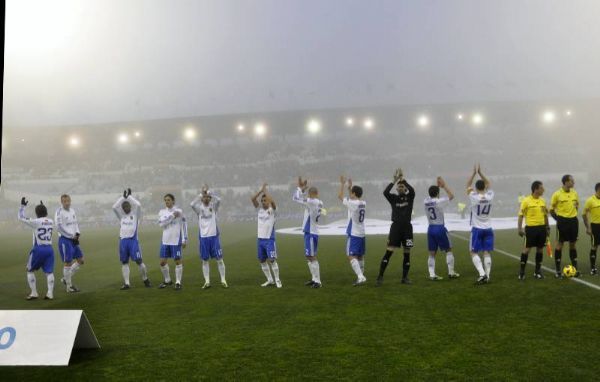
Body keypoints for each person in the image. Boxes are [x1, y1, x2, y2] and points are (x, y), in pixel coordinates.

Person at [377, 168, 415, 285]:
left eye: (402, 187)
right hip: (396, 228)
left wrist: (403, 179)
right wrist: (394, 180)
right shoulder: (393, 198)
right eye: (399, 187)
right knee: (389, 251)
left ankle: (404, 278)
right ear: (397, 189)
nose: (400, 188)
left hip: (407, 228)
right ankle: (380, 277)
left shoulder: (410, 197)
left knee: (407, 252)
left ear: (405, 188)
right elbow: (385, 192)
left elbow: (412, 190)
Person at [111, 188, 151, 289]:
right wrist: (122, 198)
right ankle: (127, 283)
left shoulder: (135, 215)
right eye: (123, 206)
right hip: (123, 242)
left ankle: (145, 279)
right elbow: (114, 207)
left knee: (139, 261)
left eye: (127, 205)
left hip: (133, 241)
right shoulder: (121, 217)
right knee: (124, 262)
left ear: (130, 206)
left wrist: (129, 197)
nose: (125, 207)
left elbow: (138, 205)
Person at [191, 185, 228, 289]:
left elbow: (219, 200)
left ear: (210, 198)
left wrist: (210, 193)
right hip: (203, 237)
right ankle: (207, 282)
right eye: (204, 197)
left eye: (208, 197)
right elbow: (192, 204)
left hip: (214, 236)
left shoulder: (214, 207)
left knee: (220, 259)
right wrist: (201, 194)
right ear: (202, 198)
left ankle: (223, 280)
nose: (206, 198)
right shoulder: (199, 209)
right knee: (205, 260)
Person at [424, 176, 459, 280]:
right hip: (439, 228)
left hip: (430, 229)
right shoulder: (439, 202)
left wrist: (436, 188)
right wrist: (443, 186)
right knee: (448, 250)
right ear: (438, 193)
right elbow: (451, 196)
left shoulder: (425, 201)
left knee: (432, 253)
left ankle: (432, 274)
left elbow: (432, 196)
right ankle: (451, 272)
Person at [19, 198, 55, 300]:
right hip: (49, 249)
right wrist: (42, 207)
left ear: (36, 213)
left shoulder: (35, 222)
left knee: (29, 270)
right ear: (46, 212)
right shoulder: (51, 221)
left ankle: (34, 293)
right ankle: (50, 293)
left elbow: (21, 217)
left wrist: (22, 207)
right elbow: (44, 218)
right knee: (49, 272)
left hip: (38, 249)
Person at [292, 176, 324, 288]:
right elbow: (307, 201)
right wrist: (305, 190)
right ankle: (314, 279)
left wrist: (300, 188)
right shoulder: (319, 202)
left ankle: (318, 281)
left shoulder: (311, 202)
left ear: (310, 194)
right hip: (311, 231)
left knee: (312, 256)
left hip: (310, 232)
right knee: (309, 256)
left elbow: (295, 198)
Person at [466, 164, 494, 285]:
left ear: (476, 188)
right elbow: (489, 184)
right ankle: (487, 276)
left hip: (477, 228)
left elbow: (467, 186)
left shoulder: (474, 197)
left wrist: (474, 173)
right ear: (485, 187)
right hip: (488, 228)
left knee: (473, 252)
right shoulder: (490, 195)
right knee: (486, 252)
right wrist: (481, 173)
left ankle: (482, 274)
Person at [251, 183, 282, 288]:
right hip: (260, 239)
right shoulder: (259, 210)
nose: (263, 202)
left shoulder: (273, 210)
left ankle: (277, 280)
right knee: (262, 260)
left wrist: (266, 192)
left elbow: (273, 202)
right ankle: (270, 280)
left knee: (272, 260)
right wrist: (261, 191)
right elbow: (252, 199)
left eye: (265, 200)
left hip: (269, 239)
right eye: (262, 200)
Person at [549, 174, 580, 278]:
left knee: (573, 244)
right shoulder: (557, 194)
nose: (573, 182)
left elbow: (577, 206)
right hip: (562, 222)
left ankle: (574, 269)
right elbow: (551, 210)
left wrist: (573, 215)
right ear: (566, 182)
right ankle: (558, 271)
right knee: (559, 245)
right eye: (572, 181)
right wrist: (558, 219)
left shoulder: (575, 193)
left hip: (573, 221)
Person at [517, 181, 549, 280]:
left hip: (542, 228)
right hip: (530, 229)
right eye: (541, 188)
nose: (543, 190)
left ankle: (537, 272)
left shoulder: (543, 201)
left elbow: (545, 215)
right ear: (536, 189)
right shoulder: (526, 201)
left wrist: (547, 227)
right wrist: (519, 229)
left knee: (540, 249)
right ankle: (522, 272)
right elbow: (521, 215)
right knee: (527, 250)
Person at [338, 176, 367, 286]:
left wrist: (342, 184)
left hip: (354, 233)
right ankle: (361, 275)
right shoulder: (363, 203)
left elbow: (340, 196)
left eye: (352, 193)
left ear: (354, 194)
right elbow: (352, 198)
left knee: (350, 256)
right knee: (360, 255)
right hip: (362, 232)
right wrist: (350, 188)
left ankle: (360, 277)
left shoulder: (353, 204)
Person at [157, 193, 187, 290]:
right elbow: (161, 224)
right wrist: (172, 216)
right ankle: (167, 280)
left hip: (175, 240)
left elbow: (184, 225)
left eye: (169, 200)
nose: (167, 202)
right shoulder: (161, 212)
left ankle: (178, 282)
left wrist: (184, 239)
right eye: (165, 200)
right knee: (162, 262)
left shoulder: (179, 211)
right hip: (165, 240)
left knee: (177, 261)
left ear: (173, 201)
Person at [55, 194, 84, 293]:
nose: (67, 203)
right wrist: (71, 236)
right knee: (68, 262)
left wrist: (77, 233)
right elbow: (59, 227)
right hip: (65, 240)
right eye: (64, 201)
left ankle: (65, 279)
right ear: (61, 202)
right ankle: (69, 287)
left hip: (73, 239)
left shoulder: (72, 210)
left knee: (81, 260)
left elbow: (75, 224)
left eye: (68, 201)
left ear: (70, 201)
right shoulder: (59, 212)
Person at [582, 182, 600, 275]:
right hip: (595, 226)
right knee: (595, 247)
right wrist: (588, 227)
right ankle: (593, 269)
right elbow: (584, 214)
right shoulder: (590, 200)